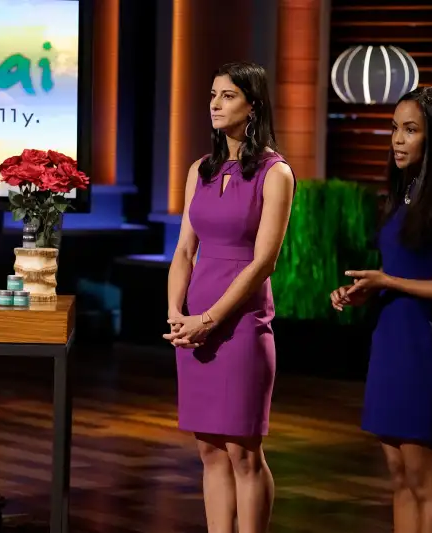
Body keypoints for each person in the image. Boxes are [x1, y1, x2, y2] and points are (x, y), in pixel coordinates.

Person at [330, 86, 432, 533]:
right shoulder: (405, 192)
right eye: (395, 128)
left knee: (427, 482)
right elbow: (401, 268)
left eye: (410, 130)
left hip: (422, 346)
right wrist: (366, 290)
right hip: (390, 337)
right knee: (399, 477)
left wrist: (388, 282)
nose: (397, 139)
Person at [163, 62, 295, 533]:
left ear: (252, 106)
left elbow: (264, 262)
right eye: (213, 95)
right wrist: (176, 312)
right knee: (209, 449)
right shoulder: (200, 169)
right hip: (194, 324)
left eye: (228, 96)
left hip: (239, 324)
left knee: (243, 450)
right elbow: (184, 250)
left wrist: (210, 319)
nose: (215, 104)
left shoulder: (275, 173)